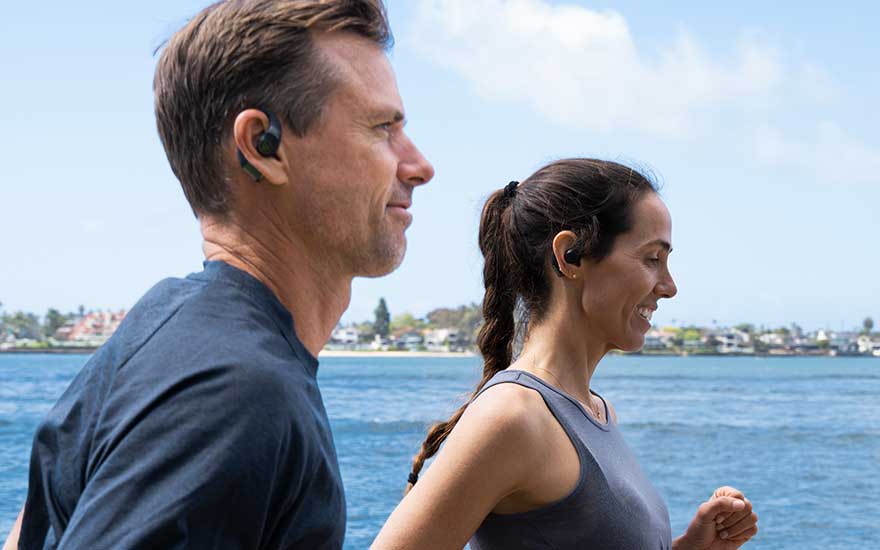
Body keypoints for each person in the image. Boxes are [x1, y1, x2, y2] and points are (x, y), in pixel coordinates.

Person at [4, 0, 433, 548]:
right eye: (381, 129)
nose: (419, 165)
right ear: (262, 146)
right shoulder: (236, 390)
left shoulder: (163, 324)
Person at [372, 159, 758, 550]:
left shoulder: (594, 412)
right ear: (569, 255)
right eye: (652, 259)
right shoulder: (513, 417)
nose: (669, 286)